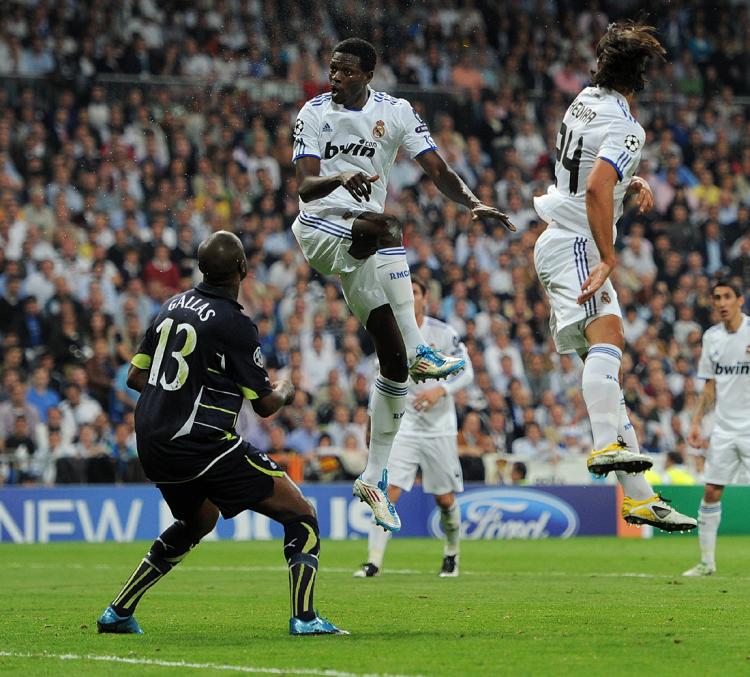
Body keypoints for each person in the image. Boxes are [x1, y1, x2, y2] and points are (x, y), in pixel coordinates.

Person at [292, 38, 514, 531]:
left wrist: (472, 201)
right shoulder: (312, 113)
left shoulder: (396, 112)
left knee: (391, 365)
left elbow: (436, 168)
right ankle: (422, 349)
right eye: (331, 69)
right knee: (386, 225)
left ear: (367, 73)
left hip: (362, 247)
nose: (334, 78)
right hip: (322, 228)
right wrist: (341, 176)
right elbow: (304, 187)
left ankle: (372, 478)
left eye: (345, 70)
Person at [97, 231, 346, 637]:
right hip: (198, 443)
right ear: (243, 269)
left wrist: (180, 393)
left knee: (199, 520)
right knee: (301, 513)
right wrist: (285, 388)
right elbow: (264, 405)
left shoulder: (170, 306)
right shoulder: (234, 322)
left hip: (151, 441)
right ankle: (304, 618)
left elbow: (135, 376)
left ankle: (118, 612)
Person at [532, 22, 695, 533]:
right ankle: (606, 445)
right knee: (610, 341)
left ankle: (641, 498)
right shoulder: (628, 127)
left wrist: (633, 180)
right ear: (641, 76)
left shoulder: (582, 100)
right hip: (579, 243)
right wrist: (608, 256)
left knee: (601, 366)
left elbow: (587, 171)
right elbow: (600, 187)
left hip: (554, 237)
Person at [354, 279, 474, 579]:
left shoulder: (443, 333)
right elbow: (378, 386)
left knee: (444, 499)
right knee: (387, 492)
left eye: (416, 292)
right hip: (404, 427)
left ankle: (451, 554)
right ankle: (373, 562)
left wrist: (441, 391)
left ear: (424, 300)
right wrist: (372, 425)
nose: (410, 295)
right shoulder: (390, 334)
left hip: (439, 428)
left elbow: (467, 370)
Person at [683, 280, 750, 576]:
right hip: (723, 428)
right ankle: (707, 562)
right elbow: (710, 386)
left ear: (740, 300)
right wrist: (697, 422)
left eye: (727, 297)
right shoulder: (711, 338)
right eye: (717, 298)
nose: (721, 303)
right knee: (711, 490)